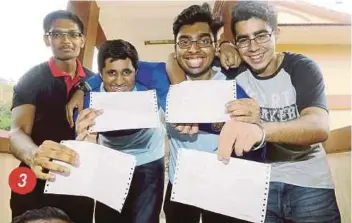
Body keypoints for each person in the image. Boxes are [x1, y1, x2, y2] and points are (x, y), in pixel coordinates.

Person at [217, 1, 340, 222]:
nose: (253, 47)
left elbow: (318, 127)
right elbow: (185, 61)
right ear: (236, 44)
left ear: (277, 34)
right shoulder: (234, 74)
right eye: (243, 39)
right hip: (258, 187)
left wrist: (261, 129)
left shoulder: (302, 68)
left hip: (309, 183)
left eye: (262, 36)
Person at [163, 3, 266, 223]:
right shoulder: (161, 79)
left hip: (225, 187)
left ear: (215, 46)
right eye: (185, 42)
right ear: (175, 47)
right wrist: (81, 88)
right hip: (180, 188)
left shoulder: (233, 86)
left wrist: (255, 123)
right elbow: (116, 66)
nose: (193, 49)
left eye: (203, 41)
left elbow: (257, 144)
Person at [10, 10, 95, 222]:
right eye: (57, 34)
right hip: (35, 178)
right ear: (47, 39)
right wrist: (33, 155)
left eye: (73, 34)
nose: (66, 40)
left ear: (82, 40)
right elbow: (17, 133)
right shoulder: (30, 79)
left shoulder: (95, 81)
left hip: (78, 182)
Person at [74, 39, 166, 223]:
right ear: (100, 74)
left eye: (126, 72)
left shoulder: (151, 89)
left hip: (148, 160)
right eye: (111, 73)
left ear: (136, 72)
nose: (119, 81)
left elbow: (166, 65)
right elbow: (79, 146)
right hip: (110, 161)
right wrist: (82, 141)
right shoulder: (88, 102)